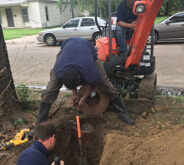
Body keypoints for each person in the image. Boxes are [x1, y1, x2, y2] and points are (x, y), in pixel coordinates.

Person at [36, 37, 135, 125]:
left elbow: (94, 83)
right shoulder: (59, 70)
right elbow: (71, 79)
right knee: (50, 90)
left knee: (105, 82)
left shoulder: (89, 69)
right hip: (67, 48)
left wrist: (83, 98)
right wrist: (74, 94)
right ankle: (40, 123)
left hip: (87, 49)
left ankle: (123, 113)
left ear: (80, 77)